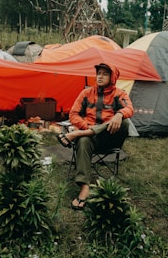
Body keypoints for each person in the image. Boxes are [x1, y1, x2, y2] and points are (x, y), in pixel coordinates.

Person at [57, 63, 134, 210]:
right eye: (99, 73)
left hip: (110, 139)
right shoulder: (86, 94)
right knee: (84, 139)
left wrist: (119, 114)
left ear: (112, 77)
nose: (100, 76)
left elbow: (129, 108)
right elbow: (73, 114)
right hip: (92, 140)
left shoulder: (119, 94)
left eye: (105, 74)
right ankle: (85, 187)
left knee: (124, 122)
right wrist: (87, 128)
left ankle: (78, 133)